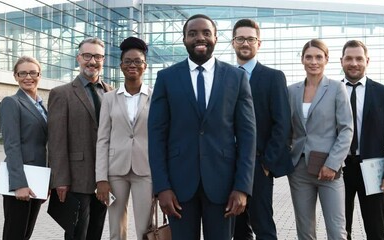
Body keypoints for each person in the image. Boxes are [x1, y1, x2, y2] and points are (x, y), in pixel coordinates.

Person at [148, 14, 256, 239]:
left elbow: (247, 136)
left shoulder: (236, 78)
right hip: (178, 188)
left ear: (216, 38)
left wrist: (242, 187)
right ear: (184, 39)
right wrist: (161, 188)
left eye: (206, 33)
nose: (200, 38)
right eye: (193, 33)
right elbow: (156, 136)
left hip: (224, 186)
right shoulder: (166, 78)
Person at [231, 19, 293, 240]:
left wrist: (268, 163)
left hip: (258, 164)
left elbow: (283, 124)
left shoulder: (273, 77)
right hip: (227, 162)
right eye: (240, 38)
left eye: (250, 39)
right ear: (233, 42)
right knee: (236, 226)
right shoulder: (223, 75)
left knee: (263, 224)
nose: (245, 43)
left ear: (259, 43)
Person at [287, 39, 353, 240]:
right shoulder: (291, 91)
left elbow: (346, 129)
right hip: (299, 169)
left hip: (329, 170)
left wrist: (333, 164)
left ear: (326, 60)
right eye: (308, 57)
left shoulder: (336, 88)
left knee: (336, 230)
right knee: (305, 231)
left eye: (318, 57)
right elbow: (287, 129)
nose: (313, 61)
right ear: (302, 60)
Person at [48, 37, 112, 240]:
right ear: (78, 58)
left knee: (96, 231)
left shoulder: (111, 92)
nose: (92, 61)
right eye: (87, 56)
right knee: (77, 234)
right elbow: (56, 141)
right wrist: (60, 180)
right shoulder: (61, 93)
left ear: (103, 59)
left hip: (105, 178)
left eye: (98, 56)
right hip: (76, 179)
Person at [341, 40, 384, 240]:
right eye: (349, 58)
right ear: (341, 61)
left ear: (367, 61)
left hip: (373, 170)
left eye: (359, 58)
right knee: (340, 230)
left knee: (376, 231)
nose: (354, 63)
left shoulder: (383, 93)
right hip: (338, 169)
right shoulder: (331, 90)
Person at [95, 36, 152, 240]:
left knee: (145, 227)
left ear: (145, 66)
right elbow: (102, 139)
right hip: (115, 171)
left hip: (145, 171)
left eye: (137, 61)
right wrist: (101, 178)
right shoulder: (109, 98)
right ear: (121, 66)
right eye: (128, 61)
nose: (132, 65)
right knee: (116, 229)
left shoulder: (155, 97)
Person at [0, 56, 48, 240]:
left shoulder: (41, 106)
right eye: (23, 73)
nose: (28, 77)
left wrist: (47, 182)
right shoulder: (11, 102)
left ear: (39, 75)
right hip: (21, 180)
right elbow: (11, 145)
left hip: (37, 179)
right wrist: (19, 184)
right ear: (15, 76)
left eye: (33, 73)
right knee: (15, 233)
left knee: (25, 233)